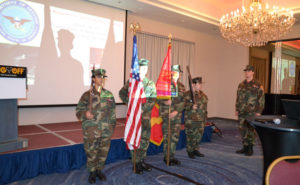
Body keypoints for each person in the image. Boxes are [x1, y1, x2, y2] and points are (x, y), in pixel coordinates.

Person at [76, 68, 116, 184]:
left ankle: (99, 170)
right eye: (99, 77)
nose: (101, 79)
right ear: (93, 79)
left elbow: (113, 112)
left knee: (103, 151)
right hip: (91, 129)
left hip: (106, 129)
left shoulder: (108, 94)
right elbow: (78, 110)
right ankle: (92, 172)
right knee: (92, 151)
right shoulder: (87, 95)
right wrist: (85, 114)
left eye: (103, 77)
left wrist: (111, 127)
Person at [119, 58, 157, 174]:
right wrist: (131, 103)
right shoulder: (132, 81)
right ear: (137, 69)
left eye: (145, 68)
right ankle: (136, 163)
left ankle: (141, 161)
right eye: (141, 68)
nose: (143, 70)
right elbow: (122, 93)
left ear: (147, 70)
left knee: (144, 141)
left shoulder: (150, 83)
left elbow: (152, 99)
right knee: (134, 139)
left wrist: (143, 108)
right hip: (135, 118)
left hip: (145, 118)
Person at [158, 64, 185, 166]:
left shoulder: (181, 87)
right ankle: (167, 157)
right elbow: (156, 98)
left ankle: (172, 156)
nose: (176, 74)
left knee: (175, 137)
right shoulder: (164, 84)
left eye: (178, 72)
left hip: (176, 116)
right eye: (174, 72)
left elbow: (184, 101)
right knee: (167, 137)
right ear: (171, 73)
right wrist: (165, 102)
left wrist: (177, 111)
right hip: (167, 116)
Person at [235, 65, 265, 156]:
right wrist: (237, 109)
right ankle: (245, 147)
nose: (246, 73)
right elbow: (238, 98)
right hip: (242, 111)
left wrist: (259, 111)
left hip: (252, 112)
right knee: (242, 129)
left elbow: (261, 99)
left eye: (248, 71)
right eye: (246, 71)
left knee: (250, 130)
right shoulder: (241, 84)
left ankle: (250, 148)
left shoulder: (258, 85)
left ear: (253, 72)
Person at [184, 77, 208, 159]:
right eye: (199, 83)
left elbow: (205, 108)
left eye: (201, 83)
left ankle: (195, 149)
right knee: (191, 136)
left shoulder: (203, 95)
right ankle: (190, 150)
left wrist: (205, 118)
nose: (201, 85)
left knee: (198, 136)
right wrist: (191, 106)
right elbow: (182, 105)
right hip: (191, 119)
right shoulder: (187, 94)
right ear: (193, 84)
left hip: (201, 119)